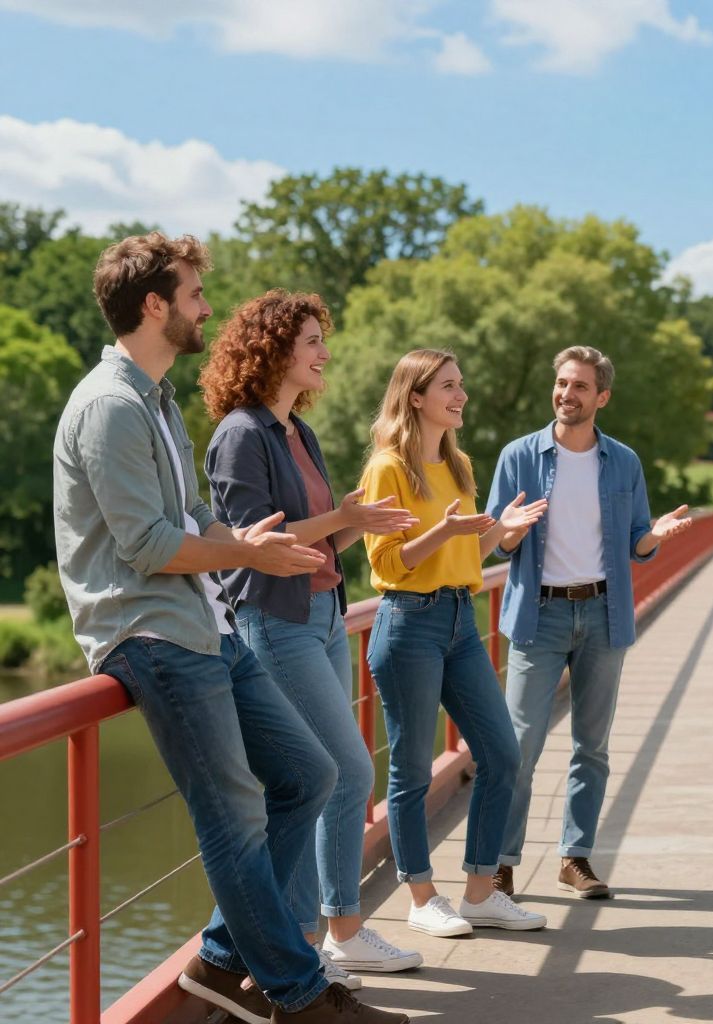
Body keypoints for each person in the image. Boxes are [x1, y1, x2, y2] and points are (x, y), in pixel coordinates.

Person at [53, 232, 405, 1023]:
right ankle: (298, 995)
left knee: (308, 776)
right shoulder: (110, 407)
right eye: (194, 294)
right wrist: (244, 548)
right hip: (151, 635)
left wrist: (257, 544)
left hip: (206, 625)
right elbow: (147, 543)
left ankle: (218, 963)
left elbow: (190, 523)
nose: (206, 307)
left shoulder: (156, 400)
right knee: (236, 813)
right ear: (155, 305)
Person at [202, 291, 423, 984]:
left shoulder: (299, 430)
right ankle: (306, 938)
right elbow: (248, 543)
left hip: (325, 617)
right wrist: (341, 519)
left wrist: (363, 521)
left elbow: (324, 540)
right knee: (343, 773)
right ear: (273, 349)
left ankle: (315, 940)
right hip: (274, 622)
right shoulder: (240, 433)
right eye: (312, 340)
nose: (325, 352)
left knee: (323, 778)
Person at [487, 346, 692, 899]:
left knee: (592, 746)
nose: (565, 395)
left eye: (579, 386)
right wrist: (509, 529)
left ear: (601, 396)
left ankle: (575, 858)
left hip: (603, 613)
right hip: (540, 613)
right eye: (560, 383)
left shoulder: (623, 461)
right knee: (519, 746)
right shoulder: (519, 457)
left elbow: (636, 543)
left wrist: (658, 535)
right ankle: (500, 864)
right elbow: (498, 544)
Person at [360, 348, 549, 938]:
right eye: (448, 385)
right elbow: (387, 562)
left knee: (502, 754)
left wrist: (499, 533)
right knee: (413, 770)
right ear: (416, 396)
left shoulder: (460, 464)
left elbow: (465, 555)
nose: (460, 394)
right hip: (407, 624)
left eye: (460, 384)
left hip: (460, 622)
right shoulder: (387, 468)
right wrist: (443, 528)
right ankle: (421, 896)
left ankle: (479, 892)